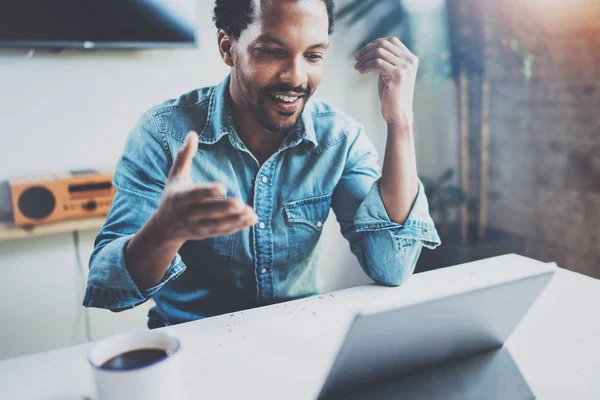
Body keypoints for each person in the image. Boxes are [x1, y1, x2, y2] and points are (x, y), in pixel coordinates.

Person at [83, 0, 440, 328]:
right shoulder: (162, 134)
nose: (296, 77)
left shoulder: (338, 139)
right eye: (272, 52)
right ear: (227, 48)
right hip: (192, 347)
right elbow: (108, 286)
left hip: (299, 341)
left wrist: (401, 121)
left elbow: (392, 266)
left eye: (313, 56)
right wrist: (166, 230)